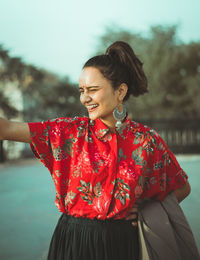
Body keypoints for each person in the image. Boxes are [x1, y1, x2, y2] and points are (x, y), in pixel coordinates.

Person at [0, 41, 191, 260]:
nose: (84, 98)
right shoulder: (68, 132)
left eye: (92, 90)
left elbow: (182, 187)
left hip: (123, 245)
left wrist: (145, 208)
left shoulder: (147, 141)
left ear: (120, 91)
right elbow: (6, 128)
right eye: (82, 91)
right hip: (73, 241)